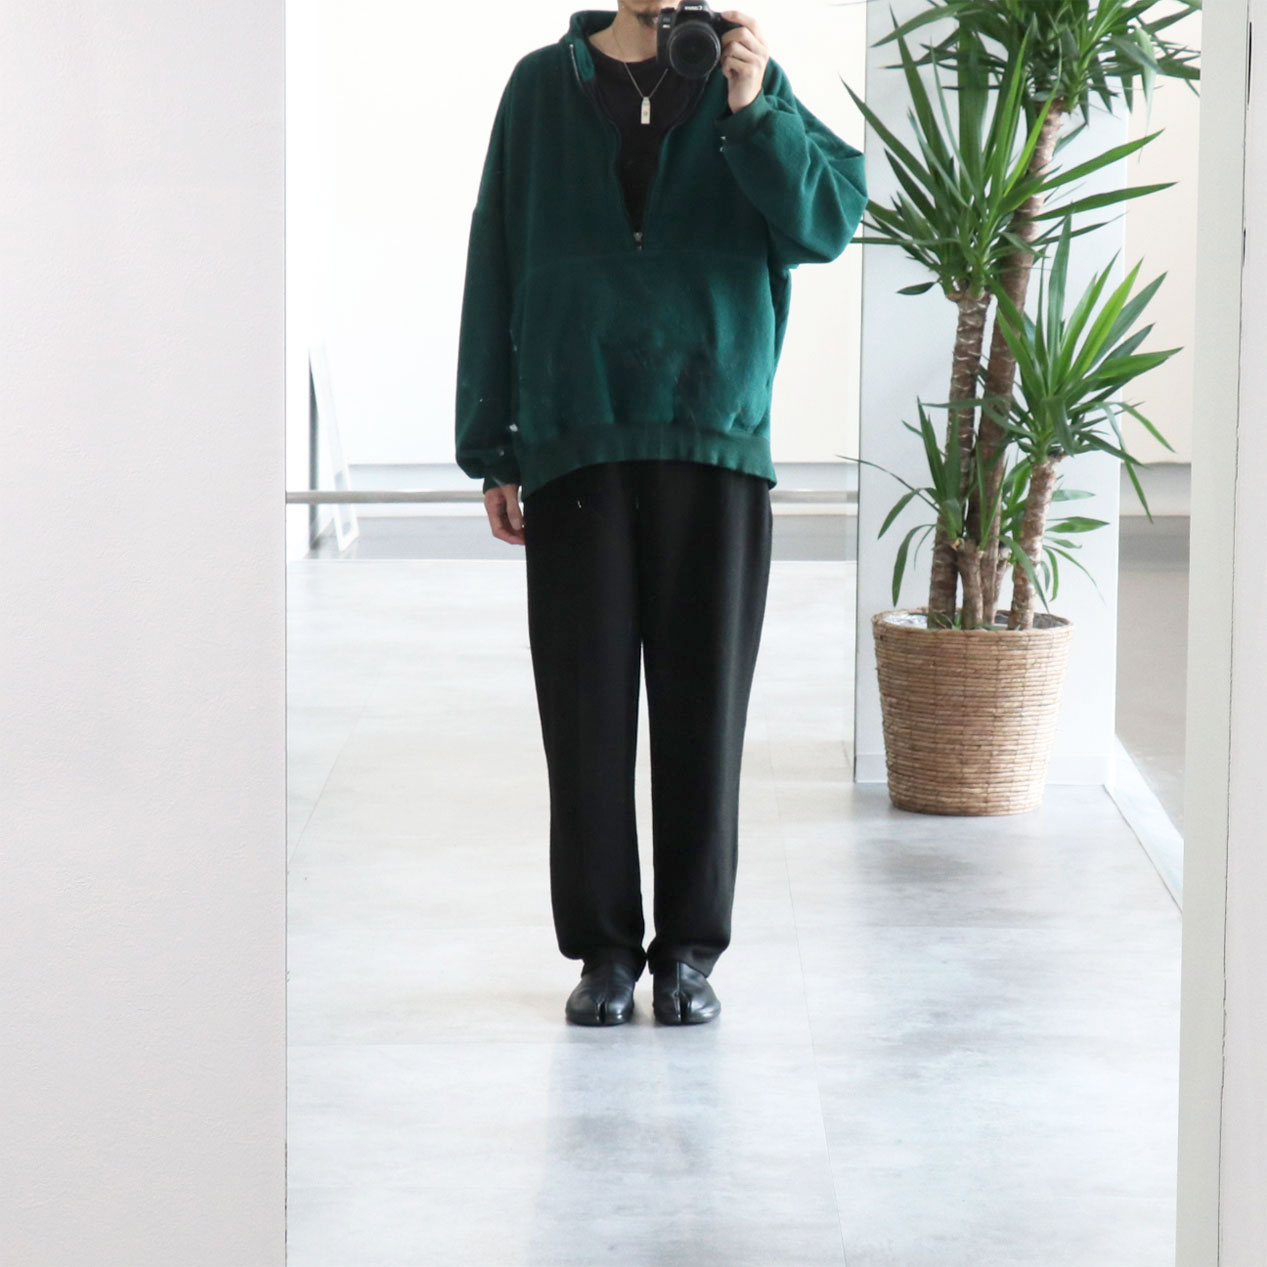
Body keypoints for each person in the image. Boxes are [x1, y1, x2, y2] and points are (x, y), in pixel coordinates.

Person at [454, 2, 866, 1026]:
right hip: (575, 434)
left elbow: (826, 223)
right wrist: (492, 443)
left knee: (703, 715)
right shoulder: (539, 89)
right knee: (583, 717)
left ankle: (687, 951)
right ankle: (603, 952)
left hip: (713, 432)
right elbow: (493, 258)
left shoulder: (746, 82)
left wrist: (751, 107)